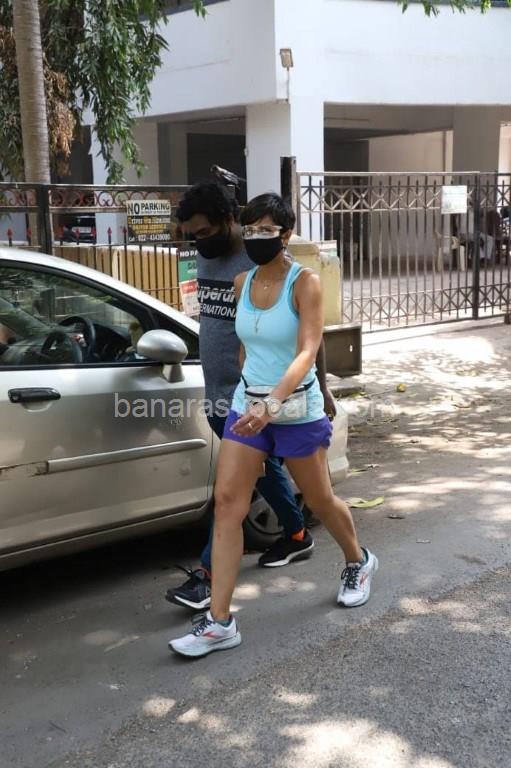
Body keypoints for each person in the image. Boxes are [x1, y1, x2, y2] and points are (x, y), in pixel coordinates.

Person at [169, 193, 378, 658]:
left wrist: (274, 401)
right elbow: (248, 345)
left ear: (286, 234)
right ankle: (220, 622)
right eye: (251, 229)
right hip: (248, 407)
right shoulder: (241, 282)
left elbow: (307, 351)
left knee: (319, 500)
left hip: (294, 407)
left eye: (266, 230)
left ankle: (358, 560)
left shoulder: (305, 283)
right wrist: (252, 393)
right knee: (228, 504)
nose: (256, 237)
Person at [165, 183, 336, 612]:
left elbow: (308, 335)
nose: (198, 241)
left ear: (228, 222)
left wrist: (322, 387)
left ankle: (208, 578)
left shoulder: (262, 260)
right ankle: (296, 534)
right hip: (221, 388)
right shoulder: (208, 257)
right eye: (192, 235)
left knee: (231, 496)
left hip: (260, 394)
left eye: (204, 232)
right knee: (264, 474)